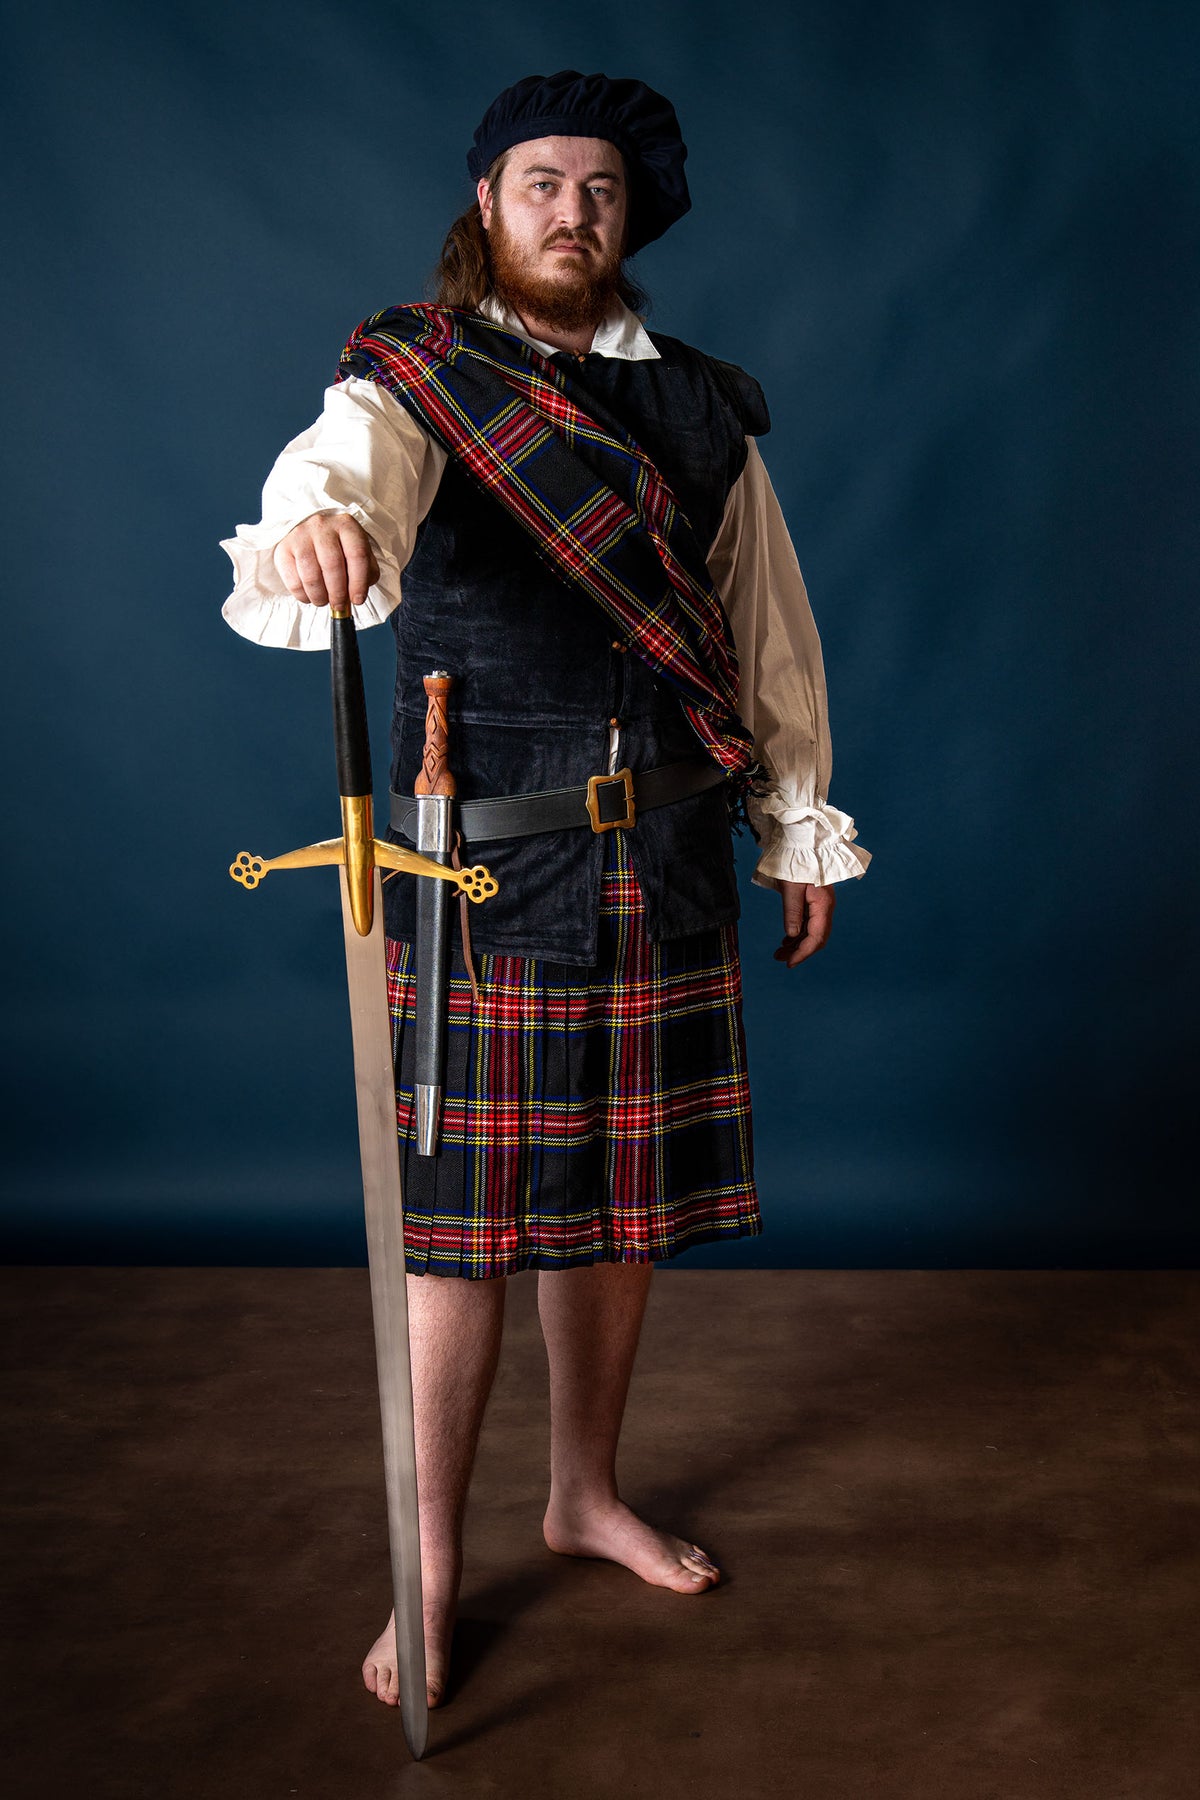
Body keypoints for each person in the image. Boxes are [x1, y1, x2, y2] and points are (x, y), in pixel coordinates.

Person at [221, 70, 870, 1712]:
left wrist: (797, 816)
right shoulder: (420, 381)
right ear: (486, 207)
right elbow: (338, 471)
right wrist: (312, 535)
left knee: (621, 1214)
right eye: (538, 185)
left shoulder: (704, 405)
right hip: (482, 874)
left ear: (630, 215)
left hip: (663, 852)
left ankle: (581, 1495)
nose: (570, 211)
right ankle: (430, 1560)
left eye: (597, 189)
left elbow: (760, 623)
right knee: (465, 1240)